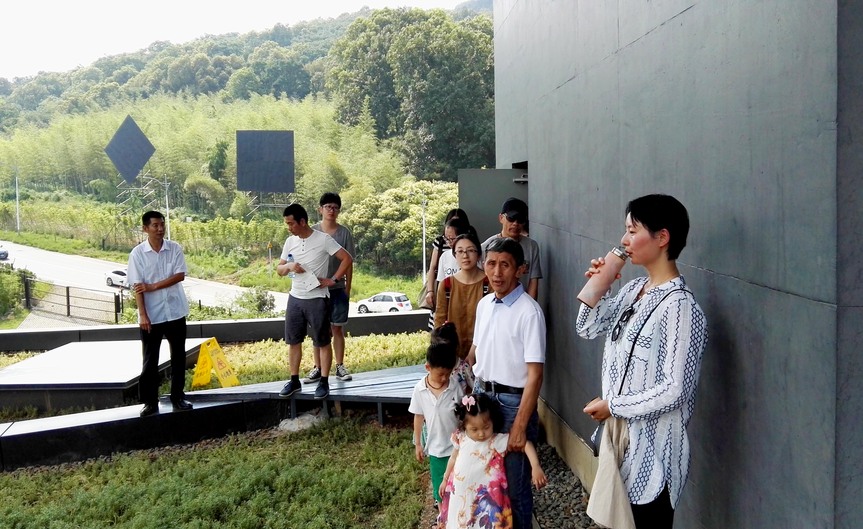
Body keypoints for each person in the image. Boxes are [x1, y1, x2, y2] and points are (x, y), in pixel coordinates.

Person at [577, 194, 708, 529]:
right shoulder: (634, 289)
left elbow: (675, 390)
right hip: (620, 447)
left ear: (662, 238)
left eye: (633, 231)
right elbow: (587, 327)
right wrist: (600, 284)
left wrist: (613, 406)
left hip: (655, 460)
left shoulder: (680, 307)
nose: (624, 241)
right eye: (625, 230)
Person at [466, 237, 546, 529]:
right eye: (491, 264)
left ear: (520, 269)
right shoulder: (485, 304)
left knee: (515, 487)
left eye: (505, 265)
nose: (496, 272)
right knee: (485, 480)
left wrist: (520, 426)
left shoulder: (529, 312)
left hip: (513, 406)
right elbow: (477, 351)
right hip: (482, 399)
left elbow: (536, 375)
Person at [437, 392, 547, 529]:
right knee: (459, 522)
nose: (481, 433)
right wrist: (445, 478)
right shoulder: (460, 437)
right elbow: (453, 458)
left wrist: (535, 466)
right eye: (474, 429)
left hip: (485, 499)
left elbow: (525, 444)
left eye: (486, 427)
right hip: (459, 493)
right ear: (464, 426)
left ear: (492, 422)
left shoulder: (495, 441)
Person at [277, 203, 353, 400]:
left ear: (302, 221)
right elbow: (279, 270)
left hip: (318, 298)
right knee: (293, 341)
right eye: (287, 224)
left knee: (322, 341)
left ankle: (324, 382)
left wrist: (333, 280)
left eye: (291, 223)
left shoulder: (323, 239)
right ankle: (294, 380)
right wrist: (290, 266)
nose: (289, 227)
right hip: (295, 297)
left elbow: (346, 258)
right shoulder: (289, 241)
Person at [127, 210, 193, 417]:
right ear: (145, 228)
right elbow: (138, 287)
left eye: (162, 224)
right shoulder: (137, 254)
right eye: (155, 225)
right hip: (152, 315)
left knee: (178, 357)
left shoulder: (174, 249)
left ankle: (178, 396)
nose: (160, 228)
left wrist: (153, 286)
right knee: (150, 359)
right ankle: (149, 402)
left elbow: (179, 275)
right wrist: (143, 315)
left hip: (175, 311)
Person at [409, 324, 464, 510]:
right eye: (441, 374)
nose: (444, 378)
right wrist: (418, 443)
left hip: (457, 447)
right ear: (428, 367)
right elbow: (418, 416)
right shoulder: (420, 390)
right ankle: (443, 517)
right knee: (440, 489)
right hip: (436, 450)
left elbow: (463, 414)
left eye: (448, 374)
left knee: (459, 484)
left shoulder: (454, 385)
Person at [307, 192, 355, 384]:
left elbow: (349, 262)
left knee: (337, 329)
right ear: (320, 209)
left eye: (335, 207)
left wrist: (348, 288)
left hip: (337, 288)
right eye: (328, 207)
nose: (331, 211)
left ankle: (340, 366)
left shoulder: (344, 233)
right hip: (317, 289)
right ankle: (317, 367)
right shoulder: (312, 232)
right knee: (320, 329)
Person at [434, 231, 488, 393]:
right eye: (460, 251)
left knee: (480, 407)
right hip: (453, 358)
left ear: (478, 254)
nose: (465, 255)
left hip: (483, 356)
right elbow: (439, 322)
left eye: (470, 250)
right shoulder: (447, 284)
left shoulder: (488, 283)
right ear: (454, 255)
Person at [480, 198, 542, 300]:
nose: (515, 224)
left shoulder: (531, 246)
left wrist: (531, 305)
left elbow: (533, 281)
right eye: (511, 218)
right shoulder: (486, 247)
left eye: (520, 220)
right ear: (501, 218)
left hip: (522, 302)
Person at [424, 208, 471, 310]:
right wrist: (430, 290)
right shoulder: (443, 248)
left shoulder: (471, 248)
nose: (450, 242)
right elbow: (432, 268)